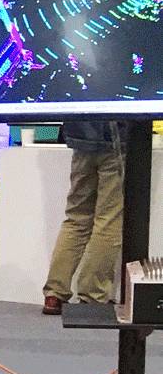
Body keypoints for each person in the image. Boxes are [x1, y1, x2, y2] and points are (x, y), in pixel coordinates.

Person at [45, 119, 128, 313]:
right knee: (108, 220)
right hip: (115, 140)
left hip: (80, 138)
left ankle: (54, 293)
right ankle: (93, 295)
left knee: (76, 218)